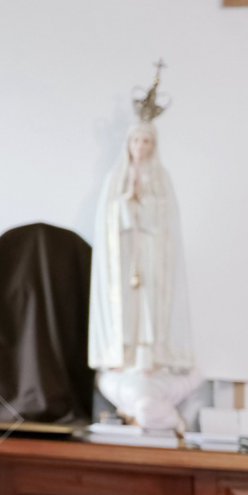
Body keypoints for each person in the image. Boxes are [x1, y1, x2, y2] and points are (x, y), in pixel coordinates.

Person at [88, 72, 199, 432]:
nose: (141, 146)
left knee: (151, 305)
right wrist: (126, 199)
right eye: (136, 139)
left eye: (147, 140)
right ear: (129, 143)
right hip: (125, 256)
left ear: (153, 144)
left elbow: (166, 221)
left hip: (151, 256)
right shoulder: (116, 178)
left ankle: (150, 356)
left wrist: (146, 201)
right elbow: (109, 221)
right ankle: (122, 354)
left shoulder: (161, 178)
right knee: (126, 304)